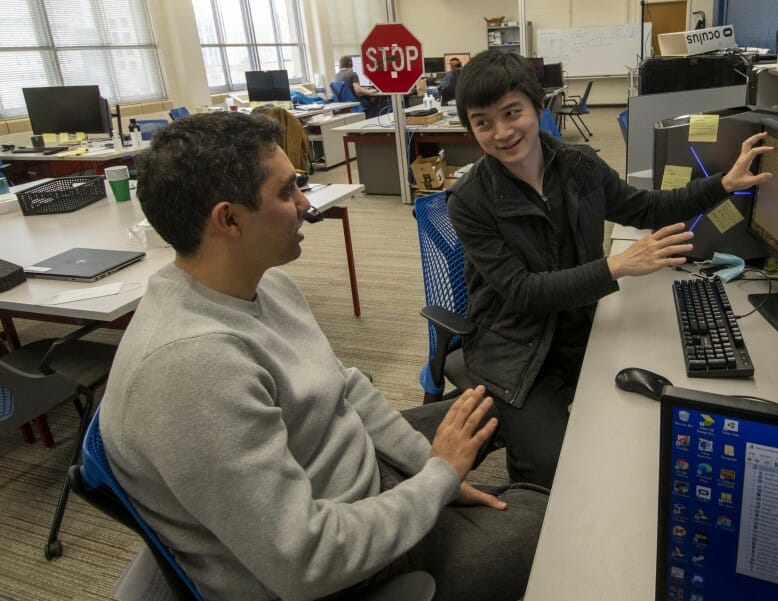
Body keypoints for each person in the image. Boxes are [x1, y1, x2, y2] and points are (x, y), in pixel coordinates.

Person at [99, 111, 547, 601]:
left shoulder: (266, 284)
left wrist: (432, 470)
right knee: (554, 520)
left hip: (354, 471)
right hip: (339, 568)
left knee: (508, 400)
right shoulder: (191, 368)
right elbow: (305, 562)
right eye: (287, 191)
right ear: (229, 219)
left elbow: (345, 387)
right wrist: (439, 479)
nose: (306, 203)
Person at [447, 49, 773, 488]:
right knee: (555, 475)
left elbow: (647, 207)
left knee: (643, 432)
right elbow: (524, 292)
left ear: (537, 107)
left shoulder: (580, 167)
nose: (502, 132)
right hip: (518, 348)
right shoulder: (470, 200)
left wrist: (724, 185)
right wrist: (616, 266)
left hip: (584, 327)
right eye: (483, 122)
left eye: (512, 113)